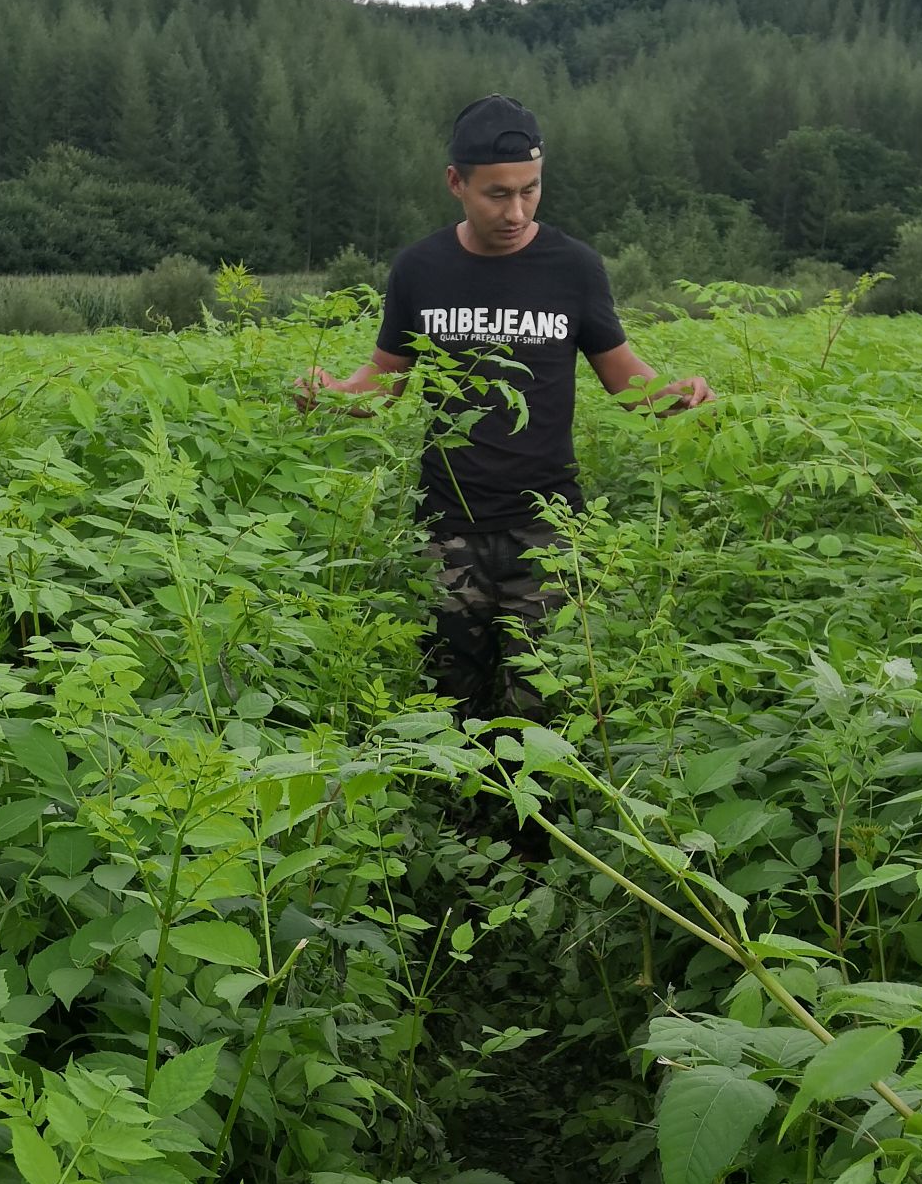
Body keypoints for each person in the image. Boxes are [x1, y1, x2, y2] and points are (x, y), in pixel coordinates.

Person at [297, 94, 714, 719]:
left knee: (540, 704)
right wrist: (330, 397)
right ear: (455, 183)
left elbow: (625, 381)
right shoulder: (420, 268)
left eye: (530, 190)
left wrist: (676, 396)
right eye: (497, 194)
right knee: (447, 699)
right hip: (446, 524)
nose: (516, 210)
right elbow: (385, 382)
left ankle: (524, 816)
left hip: (547, 525)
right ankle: (457, 814)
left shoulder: (574, 268)